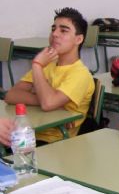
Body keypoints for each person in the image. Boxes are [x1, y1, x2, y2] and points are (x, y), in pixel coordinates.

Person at [5, 8, 94, 143]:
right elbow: (11, 95)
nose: (55, 34)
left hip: (54, 143)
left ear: (79, 39)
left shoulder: (80, 74)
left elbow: (48, 104)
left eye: (63, 30)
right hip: (27, 134)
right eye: (53, 29)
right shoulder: (48, 64)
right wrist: (44, 101)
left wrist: (36, 66)